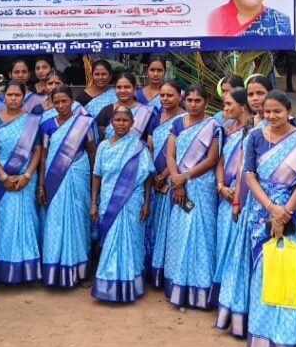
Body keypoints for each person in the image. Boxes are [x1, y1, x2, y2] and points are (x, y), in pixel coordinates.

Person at [241, 91, 296, 347]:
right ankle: (264, 338)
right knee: (265, 271)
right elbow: (249, 175)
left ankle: (291, 341)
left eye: (278, 112)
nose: (272, 116)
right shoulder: (255, 137)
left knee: (294, 268)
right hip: (261, 212)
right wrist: (272, 208)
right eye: (267, 112)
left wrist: (285, 213)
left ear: (289, 111)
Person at [163, 84, 222, 310]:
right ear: (184, 101)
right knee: (180, 231)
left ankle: (201, 288)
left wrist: (185, 177)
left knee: (201, 233)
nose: (193, 104)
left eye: (198, 100)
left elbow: (211, 159)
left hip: (202, 185)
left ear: (206, 102)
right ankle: (178, 285)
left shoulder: (213, 125)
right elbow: (171, 154)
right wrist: (177, 181)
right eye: (190, 100)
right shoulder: (177, 124)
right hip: (179, 185)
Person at [90, 107, 154, 303]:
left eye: (125, 120)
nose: (121, 124)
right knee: (110, 242)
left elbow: (147, 175)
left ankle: (130, 285)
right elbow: (97, 175)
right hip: (109, 200)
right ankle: (108, 285)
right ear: (111, 122)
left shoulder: (139, 146)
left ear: (132, 122)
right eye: (117, 120)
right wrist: (93, 202)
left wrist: (146, 202)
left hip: (132, 200)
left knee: (130, 242)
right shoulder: (103, 147)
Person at [37, 86, 96, 288]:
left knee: (78, 222)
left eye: (64, 101)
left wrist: (95, 181)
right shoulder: (46, 126)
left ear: (72, 101)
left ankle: (81, 272)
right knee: (55, 223)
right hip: (53, 180)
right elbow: (43, 156)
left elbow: (91, 152)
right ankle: (55, 271)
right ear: (52, 103)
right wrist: (41, 185)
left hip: (79, 177)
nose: (61, 106)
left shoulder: (84, 124)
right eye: (56, 102)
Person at [0, 81, 43, 284]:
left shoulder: (32, 121)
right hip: (2, 180)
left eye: (17, 95)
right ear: (4, 97)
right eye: (10, 95)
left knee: (28, 220)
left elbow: (37, 151)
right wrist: (3, 176)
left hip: (26, 179)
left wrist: (27, 175)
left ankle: (29, 271)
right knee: (6, 222)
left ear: (23, 97)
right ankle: (7, 271)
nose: (13, 99)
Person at [213, 87, 254, 336]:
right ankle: (223, 299)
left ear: (242, 105)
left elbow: (246, 168)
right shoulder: (227, 129)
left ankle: (236, 303)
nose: (225, 109)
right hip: (224, 194)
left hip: (242, 199)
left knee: (236, 252)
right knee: (223, 247)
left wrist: (237, 196)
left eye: (229, 105)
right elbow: (220, 160)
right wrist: (220, 185)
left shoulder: (253, 130)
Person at [147, 81, 185, 288]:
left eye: (170, 95)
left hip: (172, 180)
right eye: (162, 95)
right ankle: (154, 270)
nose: (165, 99)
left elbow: (182, 153)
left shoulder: (185, 121)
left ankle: (168, 272)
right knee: (154, 224)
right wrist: (152, 173)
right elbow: (151, 147)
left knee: (169, 226)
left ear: (180, 96)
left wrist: (163, 175)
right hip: (153, 180)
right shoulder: (155, 117)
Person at [97, 73, 157, 143]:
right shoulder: (106, 111)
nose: (122, 91)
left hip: (137, 153)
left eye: (127, 87)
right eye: (119, 87)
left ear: (134, 88)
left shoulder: (146, 112)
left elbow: (150, 141)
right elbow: (101, 140)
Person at [75, 59, 117, 138]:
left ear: (110, 76)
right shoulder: (82, 97)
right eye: (97, 74)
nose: (100, 77)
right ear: (92, 76)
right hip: (89, 139)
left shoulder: (116, 95)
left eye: (104, 74)